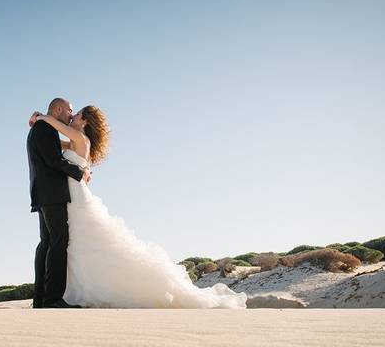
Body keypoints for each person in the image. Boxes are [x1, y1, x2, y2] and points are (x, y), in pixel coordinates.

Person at [28, 104, 247, 309]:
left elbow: (58, 129)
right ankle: (61, 293)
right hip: (68, 195)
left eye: (76, 115)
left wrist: (41, 117)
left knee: (70, 242)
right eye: (70, 112)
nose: (71, 117)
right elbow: (59, 145)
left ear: (84, 122)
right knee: (69, 243)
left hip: (73, 196)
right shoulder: (77, 139)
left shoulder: (78, 136)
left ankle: (59, 295)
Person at [26, 97, 92, 308]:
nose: (71, 115)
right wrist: (79, 172)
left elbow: (58, 151)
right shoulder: (44, 128)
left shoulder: (43, 128)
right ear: (58, 109)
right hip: (52, 193)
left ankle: (40, 299)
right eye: (69, 111)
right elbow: (53, 160)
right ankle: (52, 298)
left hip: (43, 193)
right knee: (57, 242)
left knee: (46, 243)